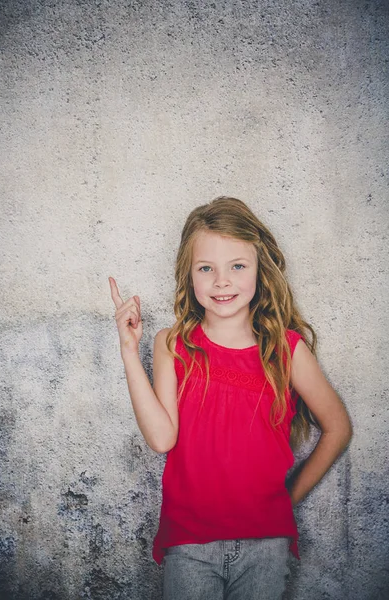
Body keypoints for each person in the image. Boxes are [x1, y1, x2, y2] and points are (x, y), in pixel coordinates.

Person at [109, 196, 353, 600]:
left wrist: (289, 500)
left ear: (260, 269)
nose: (222, 281)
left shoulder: (286, 350)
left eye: (237, 266)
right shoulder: (170, 343)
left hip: (266, 545)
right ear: (189, 275)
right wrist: (129, 351)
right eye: (206, 268)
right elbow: (161, 439)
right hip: (189, 543)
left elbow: (338, 427)